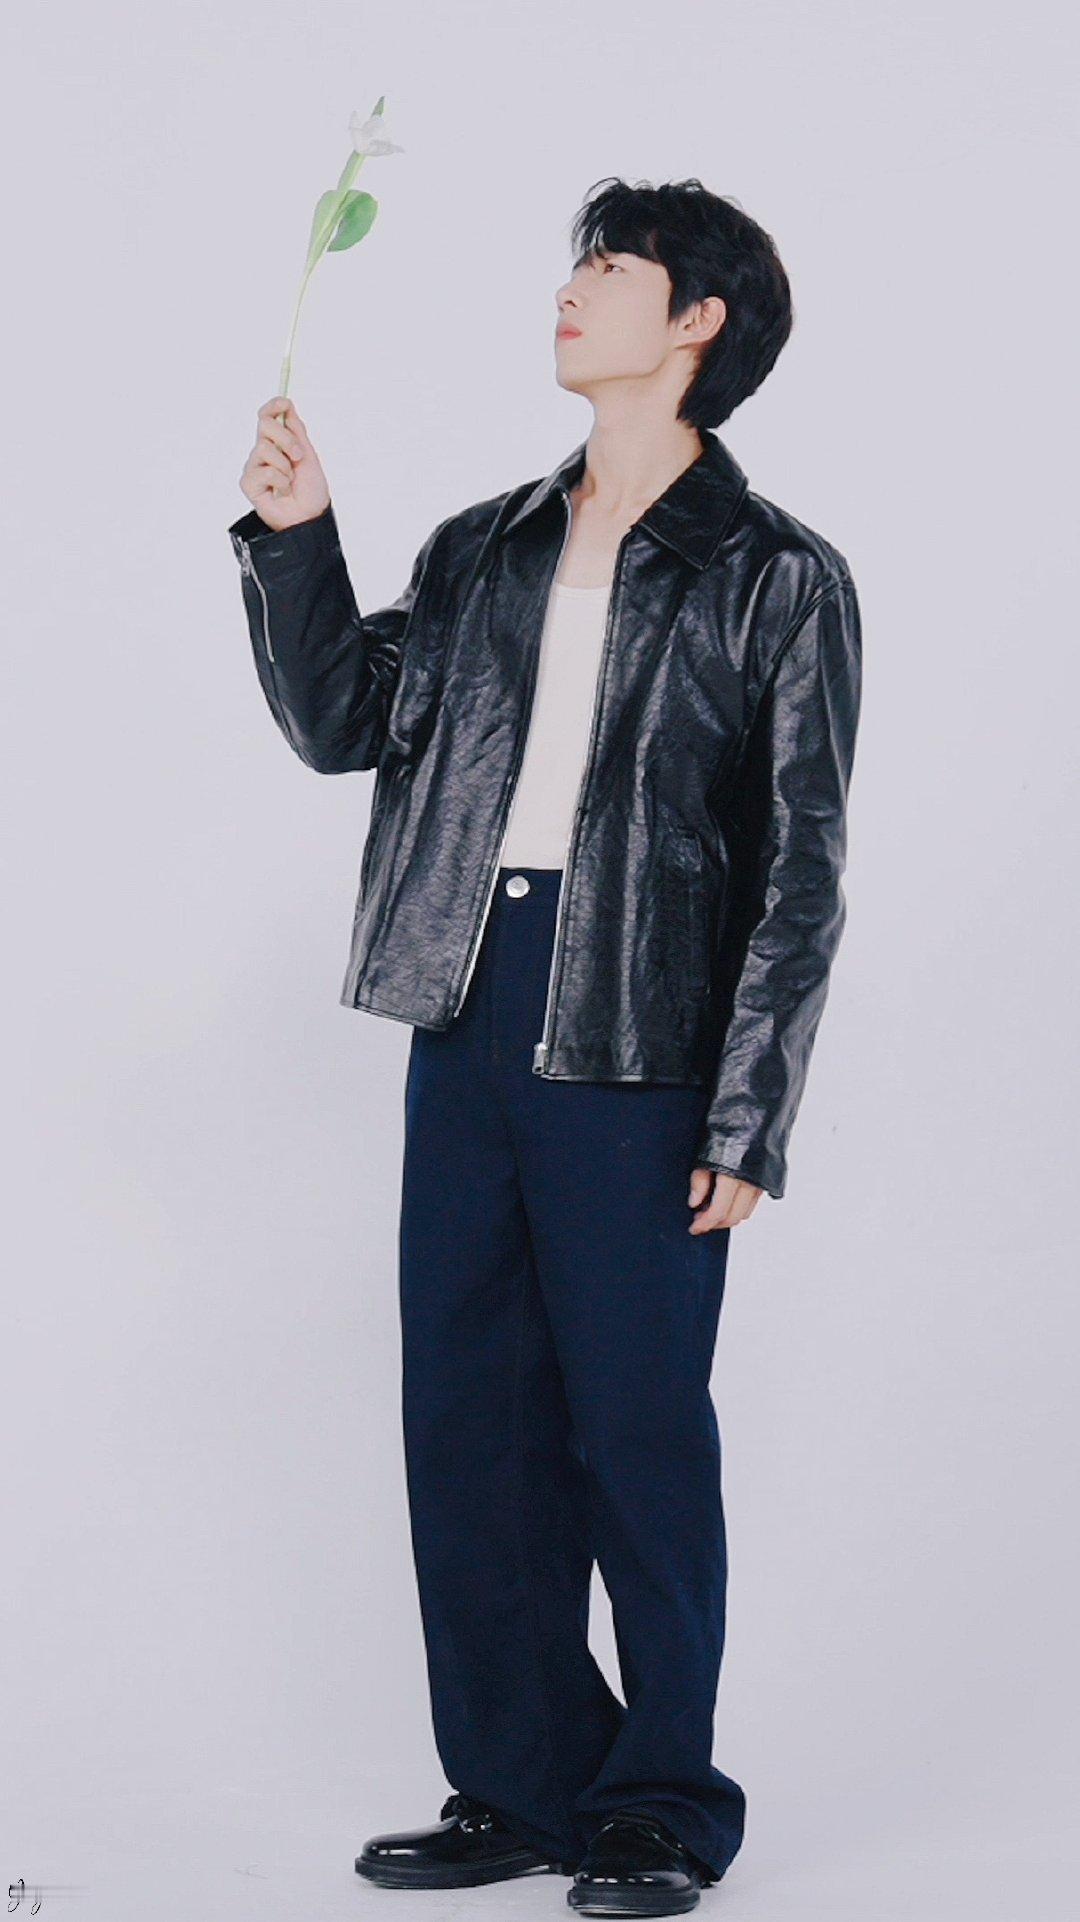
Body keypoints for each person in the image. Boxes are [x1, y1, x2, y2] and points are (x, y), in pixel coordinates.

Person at [228, 176, 862, 1917]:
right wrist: (298, 538)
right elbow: (345, 720)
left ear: (698, 321)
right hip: (469, 1000)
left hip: (644, 1030)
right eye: (573, 261)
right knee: (472, 1416)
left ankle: (662, 1801)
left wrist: (750, 1107)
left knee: (636, 1428)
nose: (572, 288)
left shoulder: (778, 575)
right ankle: (520, 1777)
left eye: (611, 266)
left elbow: (800, 866)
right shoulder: (482, 546)